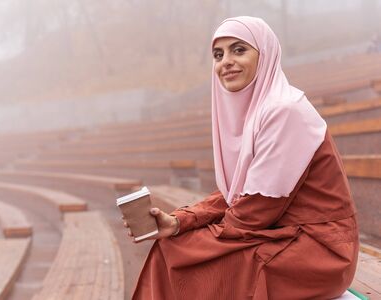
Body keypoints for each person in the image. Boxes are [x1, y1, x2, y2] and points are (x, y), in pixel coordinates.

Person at [123, 16, 358, 300]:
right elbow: (237, 194)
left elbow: (256, 210)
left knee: (181, 253)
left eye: (239, 50)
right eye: (218, 55)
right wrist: (179, 222)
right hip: (282, 235)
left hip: (319, 252)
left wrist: (199, 239)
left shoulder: (285, 111)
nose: (226, 62)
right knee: (176, 245)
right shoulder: (257, 112)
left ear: (265, 55)